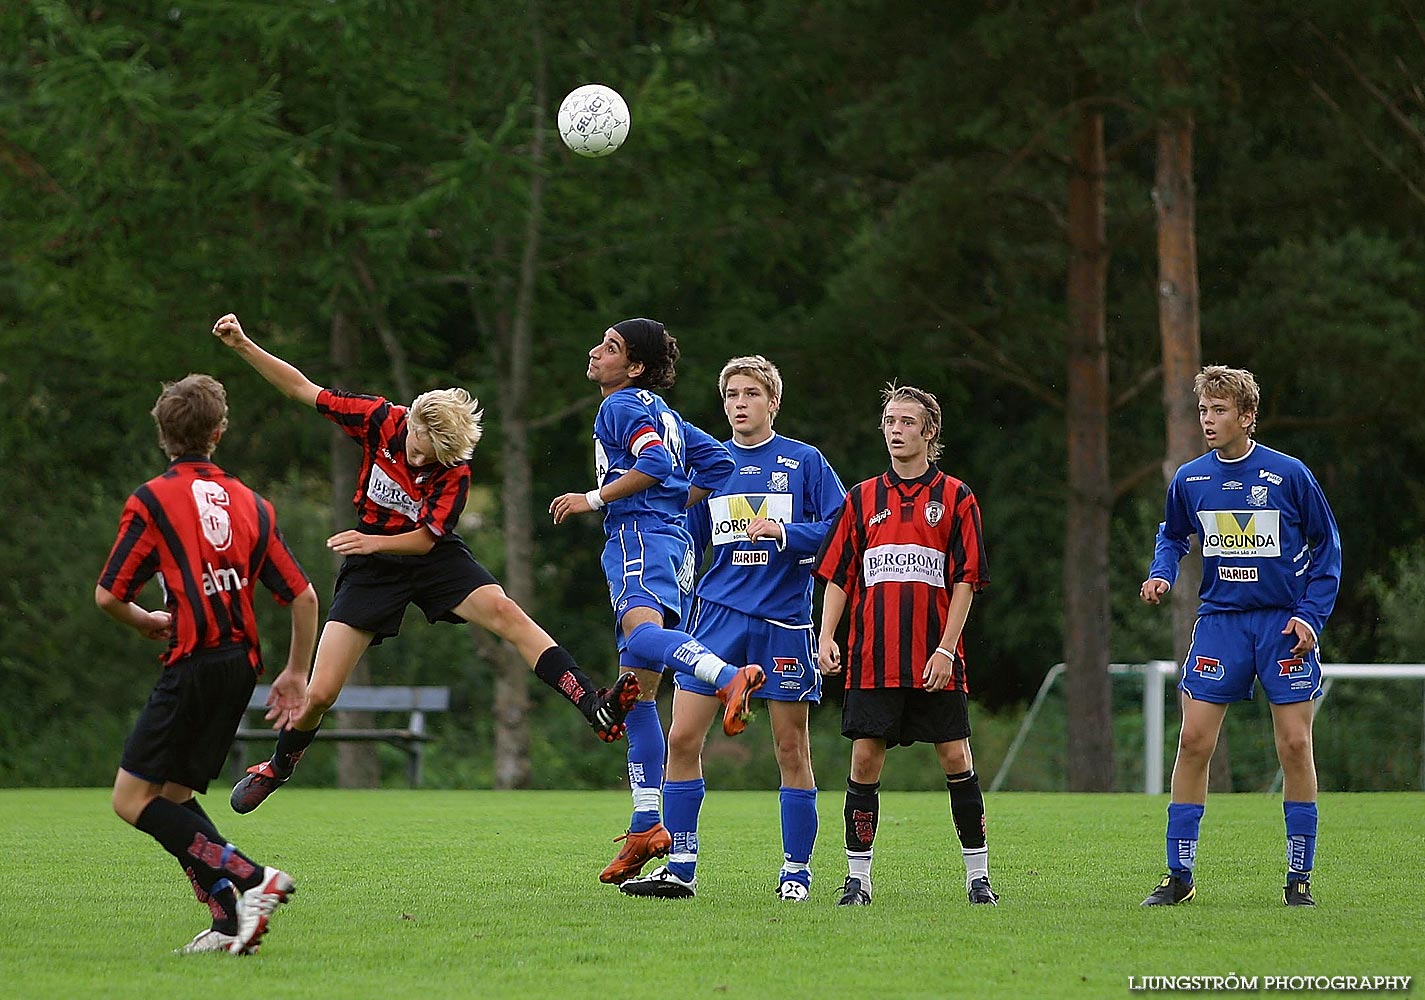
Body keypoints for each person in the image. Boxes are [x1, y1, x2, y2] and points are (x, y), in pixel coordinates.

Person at [211, 313, 639, 814]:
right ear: (409, 421)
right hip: (371, 569)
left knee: (509, 615)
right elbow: (304, 389)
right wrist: (242, 345)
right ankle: (280, 765)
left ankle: (593, 703)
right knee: (321, 693)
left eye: (432, 455)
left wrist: (372, 543)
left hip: (426, 556)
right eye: (418, 446)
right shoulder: (378, 418)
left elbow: (423, 540)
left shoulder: (454, 470)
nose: (419, 460)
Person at [98, 373, 318, 955]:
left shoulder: (151, 499)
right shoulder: (252, 503)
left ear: (163, 434)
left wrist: (145, 620)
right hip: (239, 665)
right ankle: (228, 919)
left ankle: (252, 878)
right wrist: (295, 674)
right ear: (218, 432)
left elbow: (108, 594)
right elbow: (303, 596)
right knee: (170, 796)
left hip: (192, 660)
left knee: (130, 800)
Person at [619, 355, 846, 901]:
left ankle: (796, 872)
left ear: (773, 402)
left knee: (791, 750)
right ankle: (680, 866)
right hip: (714, 619)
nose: (739, 404)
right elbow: (686, 538)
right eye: (731, 396)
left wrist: (789, 533)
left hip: (784, 624)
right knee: (681, 738)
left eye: (750, 394)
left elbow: (844, 529)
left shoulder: (804, 461)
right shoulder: (711, 468)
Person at [549, 318, 765, 886]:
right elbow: (719, 465)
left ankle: (725, 676)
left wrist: (590, 498)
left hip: (639, 539)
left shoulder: (618, 406)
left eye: (612, 347)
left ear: (635, 367)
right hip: (672, 543)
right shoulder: (666, 413)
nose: (597, 352)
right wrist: (673, 506)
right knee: (636, 694)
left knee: (641, 637)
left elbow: (653, 464)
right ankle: (648, 823)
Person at [1139, 365, 1342, 908]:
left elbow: (1328, 548)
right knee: (1193, 741)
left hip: (1281, 624)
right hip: (1220, 624)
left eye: (1219, 410)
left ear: (1246, 417)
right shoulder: (1191, 479)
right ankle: (1179, 874)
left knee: (1295, 745)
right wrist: (1161, 571)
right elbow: (1173, 535)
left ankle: (1299, 876)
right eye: (1203, 409)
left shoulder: (1289, 474)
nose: (1208, 419)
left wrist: (1310, 616)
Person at [814, 383, 996, 907]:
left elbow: (965, 580)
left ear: (929, 431)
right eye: (889, 421)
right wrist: (826, 635)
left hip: (933, 659)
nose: (895, 431)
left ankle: (978, 878)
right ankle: (857, 881)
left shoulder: (957, 497)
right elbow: (840, 575)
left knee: (955, 756)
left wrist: (946, 648)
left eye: (906, 422)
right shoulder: (862, 497)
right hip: (874, 658)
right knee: (864, 761)